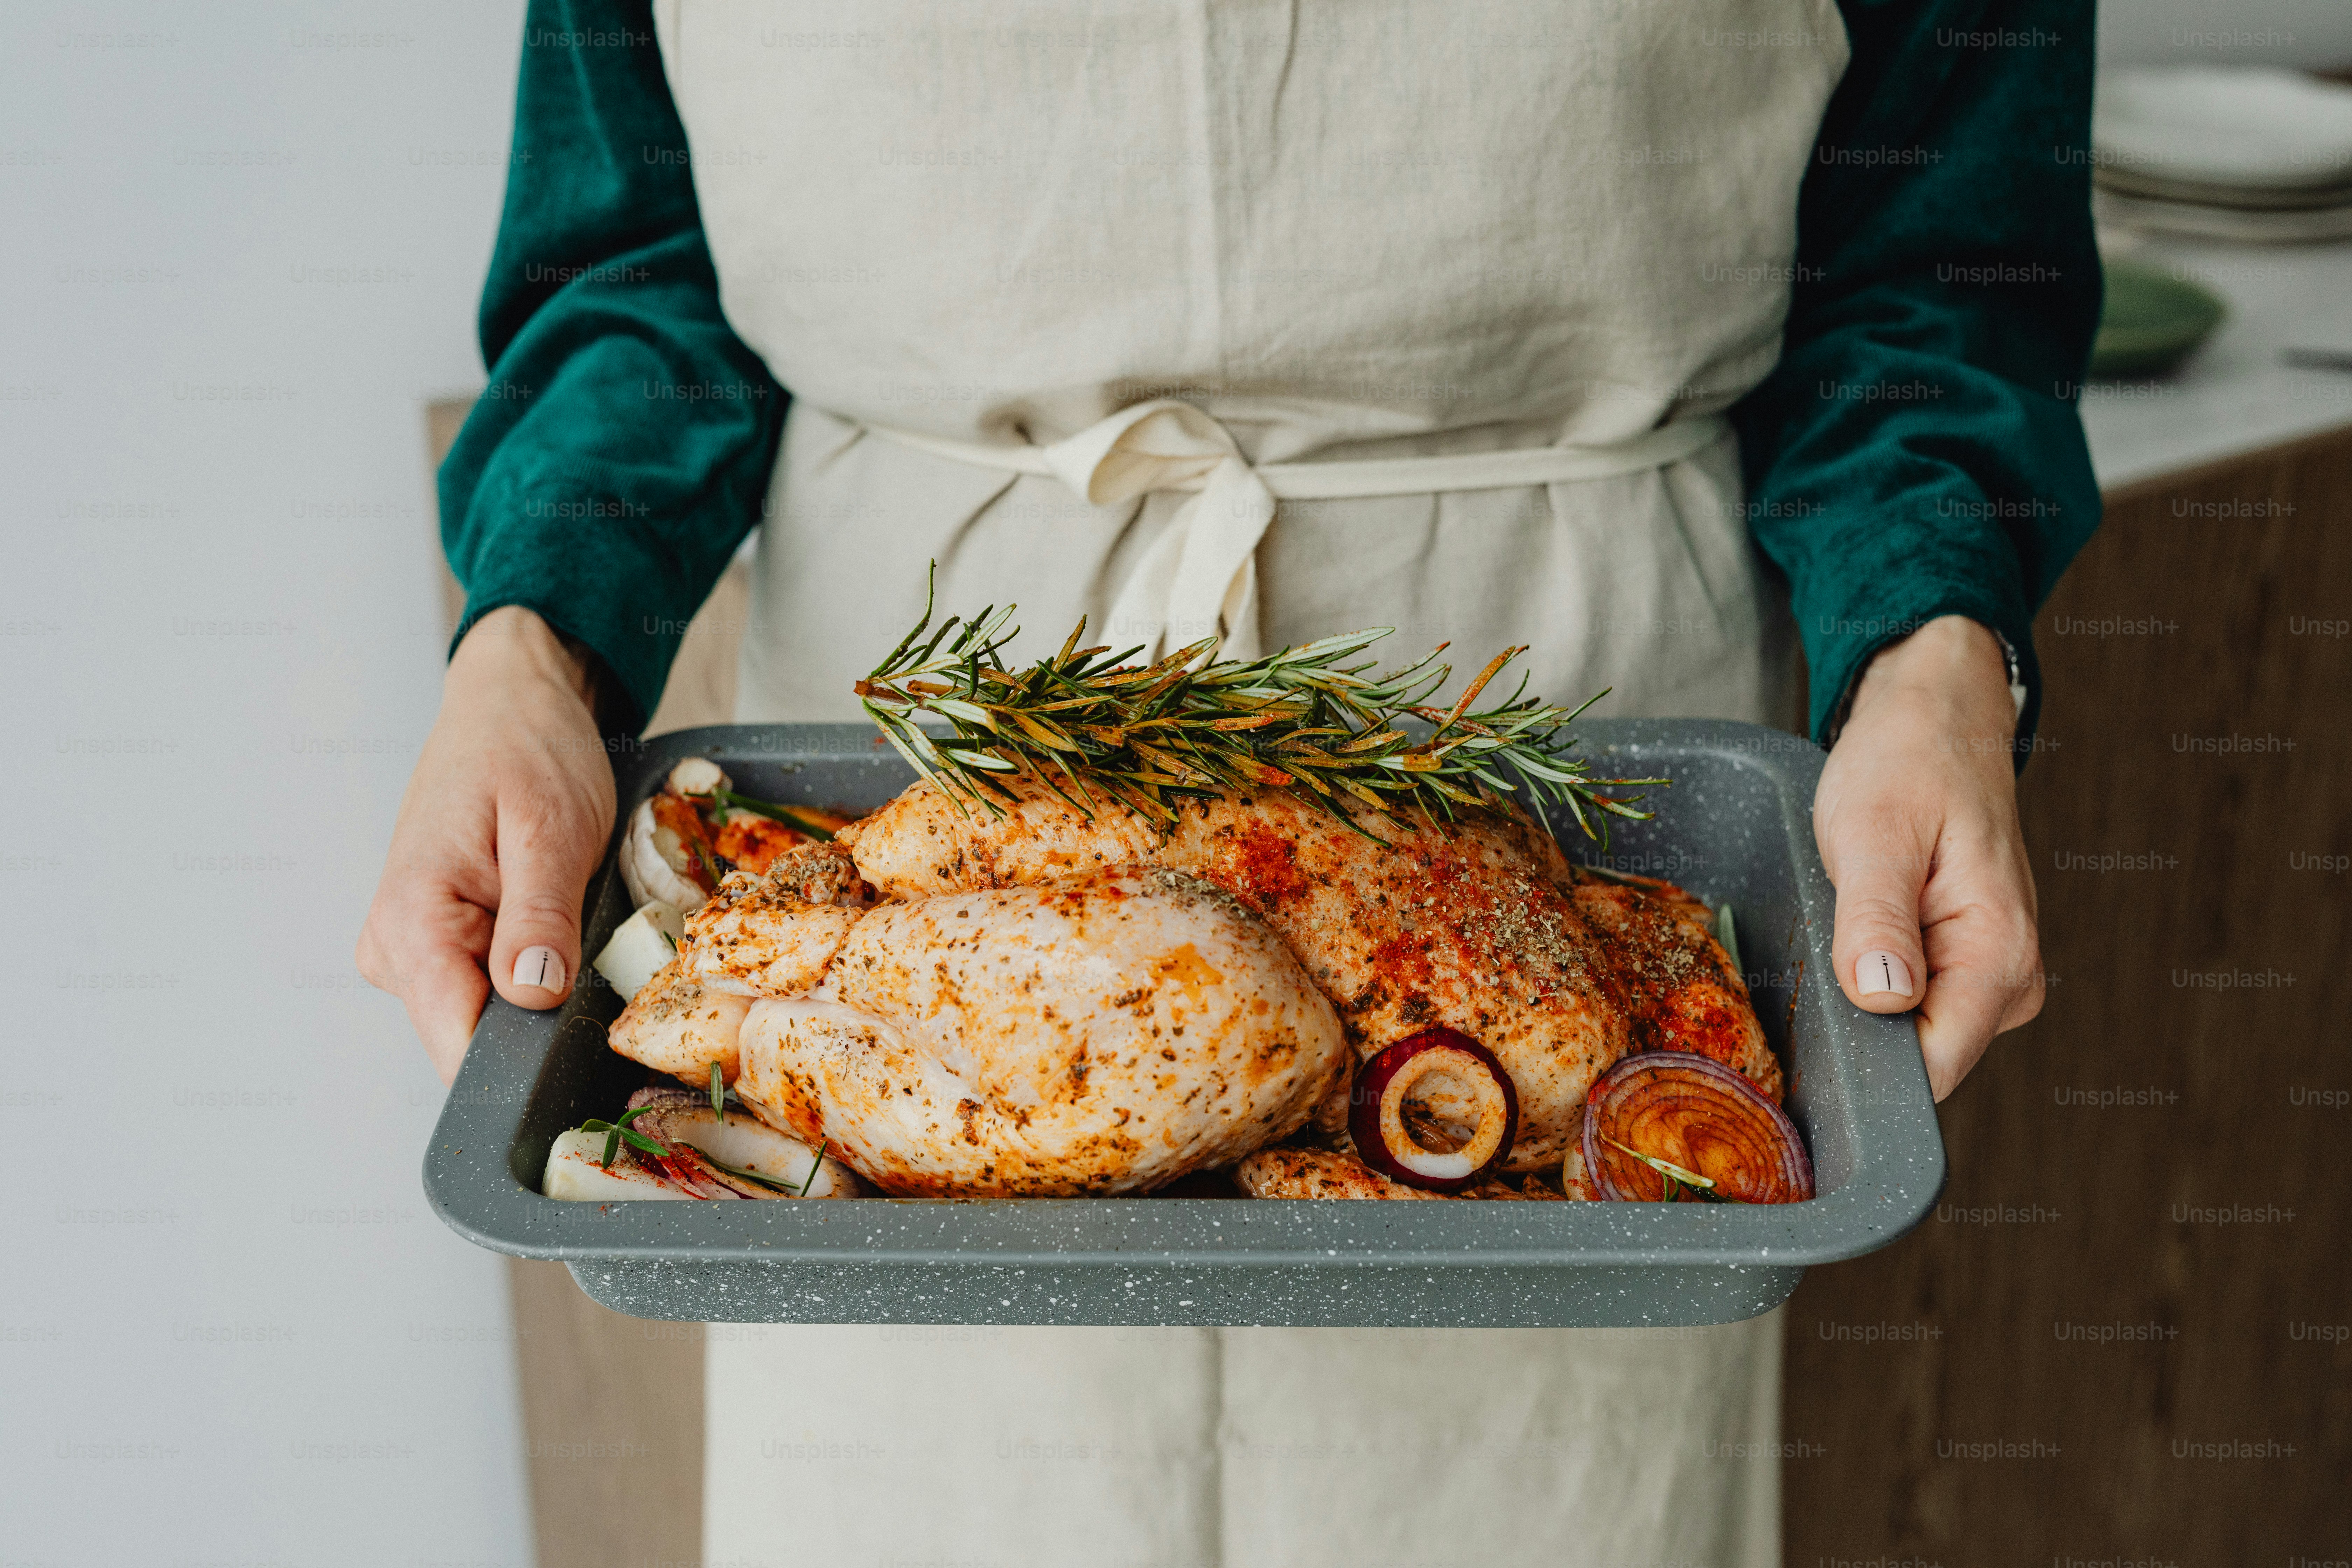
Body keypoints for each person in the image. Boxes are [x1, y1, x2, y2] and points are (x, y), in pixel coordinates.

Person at [360, 1, 2095, 1562]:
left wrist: (1935, 645)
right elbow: (634, 266)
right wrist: (532, 646)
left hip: (1548, 671)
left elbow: (1940, 257)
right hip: (944, 694)